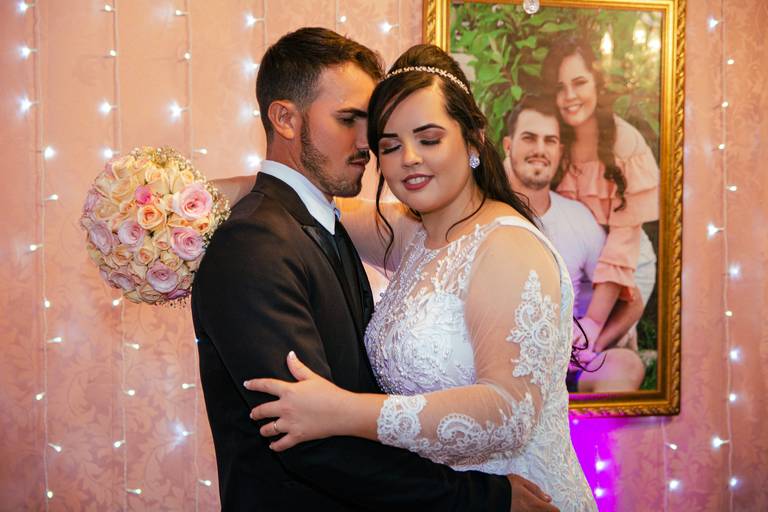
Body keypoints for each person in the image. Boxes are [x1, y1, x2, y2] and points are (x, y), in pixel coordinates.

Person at [192, 28, 554, 511]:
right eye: (353, 121)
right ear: (285, 119)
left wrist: (347, 411)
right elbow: (309, 441)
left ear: (472, 139)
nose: (369, 144)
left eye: (428, 138)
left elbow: (508, 411)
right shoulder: (256, 241)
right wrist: (181, 203)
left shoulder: (486, 240)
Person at [502, 94, 645, 392]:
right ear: (508, 146)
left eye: (550, 140)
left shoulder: (578, 218)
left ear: (560, 151)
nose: (540, 149)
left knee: (627, 366)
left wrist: (589, 343)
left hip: (566, 368)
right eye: (529, 138)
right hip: (501, 368)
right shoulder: (488, 214)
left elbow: (632, 303)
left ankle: (580, 419)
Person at [540, 35, 659, 356]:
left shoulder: (625, 142)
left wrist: (593, 322)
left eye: (579, 83)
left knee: (590, 350)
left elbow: (622, 245)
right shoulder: (556, 139)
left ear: (597, 84)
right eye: (560, 88)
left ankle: (617, 349)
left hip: (628, 265)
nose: (569, 96)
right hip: (582, 262)